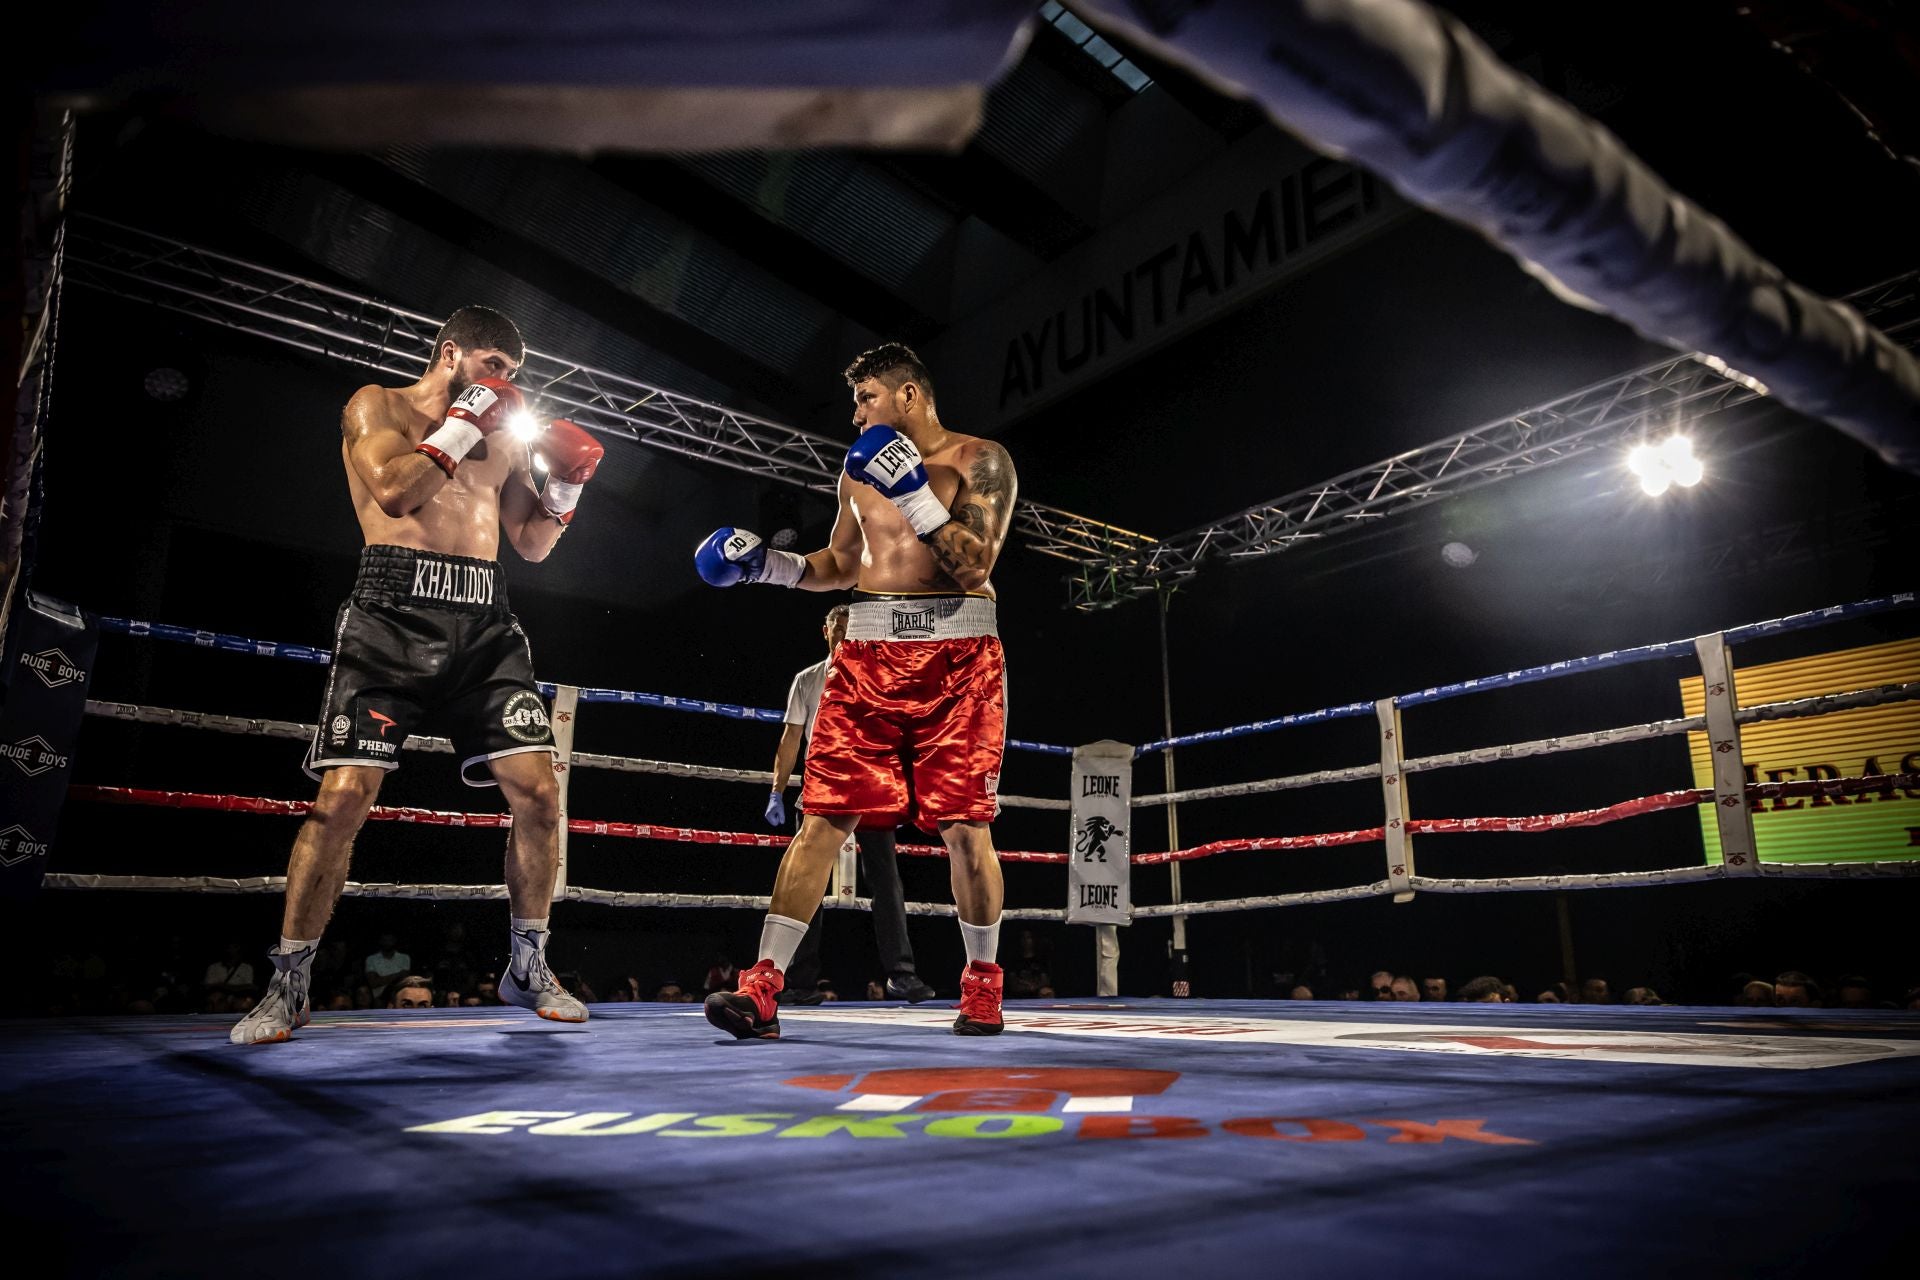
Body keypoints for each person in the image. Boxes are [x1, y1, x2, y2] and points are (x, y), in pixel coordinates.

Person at [230, 306, 605, 1045]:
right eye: (493, 364)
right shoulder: (379, 405)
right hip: (390, 612)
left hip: (484, 620)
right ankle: (291, 979)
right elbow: (397, 491)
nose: (503, 383)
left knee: (538, 789)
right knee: (342, 799)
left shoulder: (501, 437)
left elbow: (530, 545)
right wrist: (465, 420)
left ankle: (528, 964)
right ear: (452, 352)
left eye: (513, 375)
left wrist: (569, 485)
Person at [697, 342, 1017, 1039]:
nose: (856, 413)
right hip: (867, 657)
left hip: (958, 658)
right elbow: (842, 563)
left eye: (867, 397)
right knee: (822, 820)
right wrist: (769, 568)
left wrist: (914, 494)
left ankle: (982, 987)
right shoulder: (856, 474)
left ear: (909, 396)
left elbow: (974, 563)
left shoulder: (978, 460)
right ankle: (763, 988)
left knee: (965, 826)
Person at [764, 604, 936, 1005]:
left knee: (887, 882)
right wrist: (777, 789)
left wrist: (905, 791)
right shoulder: (807, 680)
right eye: (837, 629)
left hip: (872, 786)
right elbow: (790, 739)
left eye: (849, 628)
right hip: (822, 789)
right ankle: (800, 981)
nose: (842, 635)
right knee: (808, 881)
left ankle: (901, 974)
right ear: (825, 631)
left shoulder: (878, 675)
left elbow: (900, 733)